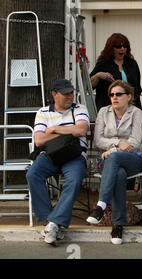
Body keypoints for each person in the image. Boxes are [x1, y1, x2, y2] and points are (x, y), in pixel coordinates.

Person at [26, 79, 89, 245]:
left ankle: (54, 222)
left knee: (74, 179)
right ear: (54, 94)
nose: (70, 96)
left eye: (71, 92)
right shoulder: (43, 112)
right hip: (50, 154)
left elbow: (81, 129)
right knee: (33, 174)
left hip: (74, 154)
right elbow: (39, 139)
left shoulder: (79, 109)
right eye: (65, 93)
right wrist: (69, 133)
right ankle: (50, 221)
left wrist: (54, 129)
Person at [86, 80, 142, 245]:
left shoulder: (136, 113)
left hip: (132, 159)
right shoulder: (104, 112)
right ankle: (118, 225)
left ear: (129, 96)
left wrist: (113, 150)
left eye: (119, 94)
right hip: (109, 159)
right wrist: (118, 143)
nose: (114, 97)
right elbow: (98, 140)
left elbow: (135, 142)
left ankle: (101, 206)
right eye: (111, 94)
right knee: (118, 173)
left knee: (114, 157)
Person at [90, 33, 142, 110]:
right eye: (118, 46)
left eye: (125, 46)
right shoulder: (103, 64)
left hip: (131, 107)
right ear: (111, 48)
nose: (122, 49)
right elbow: (89, 85)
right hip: (109, 108)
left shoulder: (132, 64)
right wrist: (99, 75)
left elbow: (137, 87)